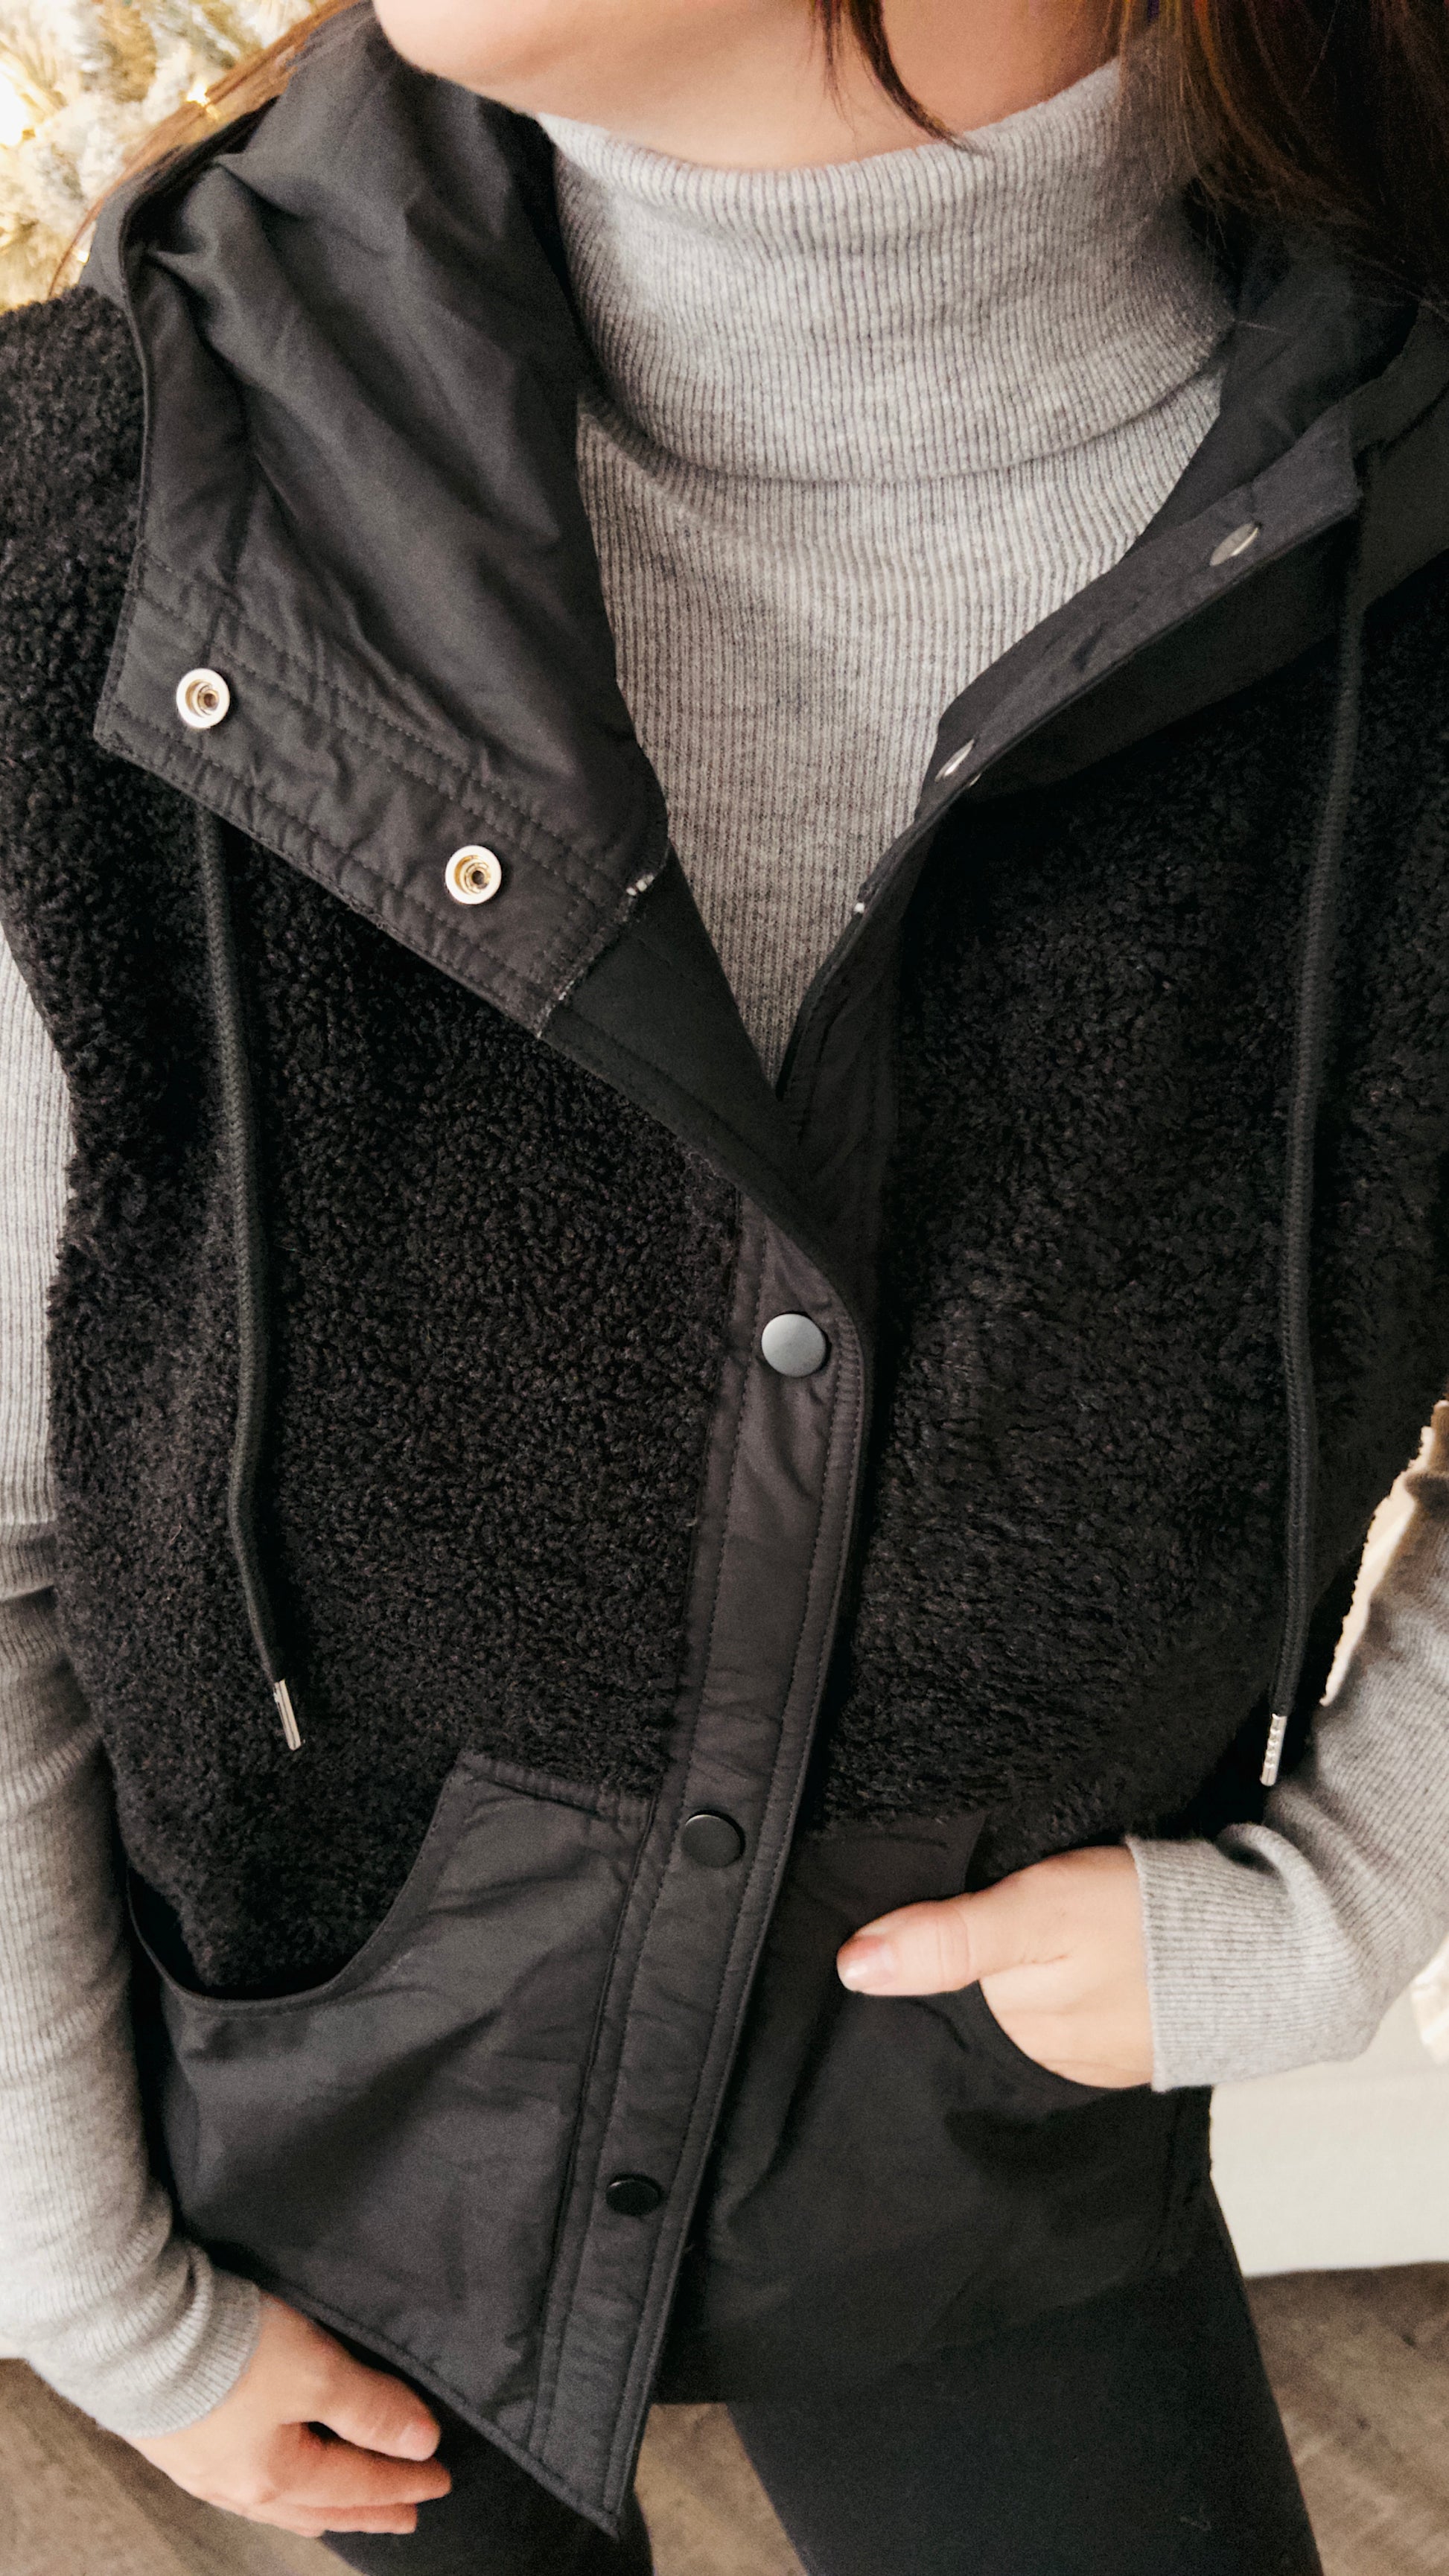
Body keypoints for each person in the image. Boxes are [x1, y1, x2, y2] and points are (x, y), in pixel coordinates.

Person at [2, 0, 1449, 2566]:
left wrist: (1347, 1895)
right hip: (344, 2138)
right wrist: (95, 2285)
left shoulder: (1403, 556)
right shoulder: (89, 522)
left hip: (984, 2139)